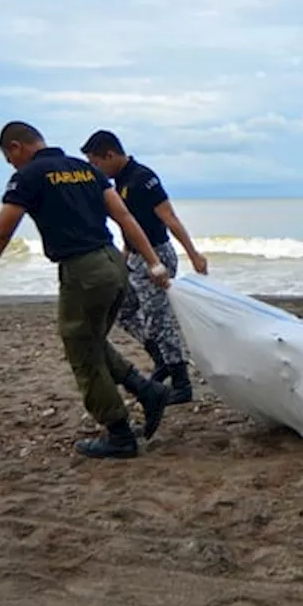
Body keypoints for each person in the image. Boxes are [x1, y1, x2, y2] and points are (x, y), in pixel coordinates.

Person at [0, 122, 174, 460]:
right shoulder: (83, 169)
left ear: (16, 147)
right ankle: (146, 390)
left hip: (84, 271)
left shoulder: (29, 176)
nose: (11, 166)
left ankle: (119, 433)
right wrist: (152, 261)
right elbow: (124, 217)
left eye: (8, 158)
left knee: (81, 352)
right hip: (114, 264)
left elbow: (0, 233)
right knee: (91, 340)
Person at [81, 130, 207, 404]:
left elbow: (169, 218)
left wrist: (193, 254)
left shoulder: (142, 178)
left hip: (158, 256)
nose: (94, 169)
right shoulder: (118, 182)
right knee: (124, 310)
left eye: (96, 162)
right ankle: (160, 359)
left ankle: (181, 382)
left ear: (110, 155)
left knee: (159, 319)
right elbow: (129, 229)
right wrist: (124, 260)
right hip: (136, 257)